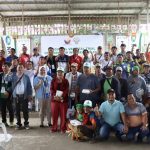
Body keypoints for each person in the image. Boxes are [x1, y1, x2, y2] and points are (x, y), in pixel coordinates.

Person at [5, 63, 32, 130]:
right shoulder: (13, 76)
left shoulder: (26, 77)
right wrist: (9, 71)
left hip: (24, 96)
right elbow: (6, 79)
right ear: (16, 69)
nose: (20, 69)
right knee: (16, 111)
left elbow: (29, 87)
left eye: (21, 67)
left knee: (25, 111)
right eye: (18, 67)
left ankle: (26, 123)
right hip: (15, 97)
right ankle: (18, 124)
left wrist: (30, 95)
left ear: (23, 69)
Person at [51, 67, 69, 133]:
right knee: (54, 115)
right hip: (54, 100)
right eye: (58, 72)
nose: (60, 73)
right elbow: (51, 89)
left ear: (63, 73)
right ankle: (54, 128)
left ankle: (62, 128)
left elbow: (66, 90)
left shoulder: (66, 81)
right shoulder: (53, 80)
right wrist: (54, 96)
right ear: (57, 73)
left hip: (63, 100)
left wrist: (61, 97)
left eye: (61, 72)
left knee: (63, 115)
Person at [0, 63, 14, 127]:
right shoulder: (0, 75)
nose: (4, 68)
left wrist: (8, 91)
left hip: (9, 95)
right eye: (3, 66)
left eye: (6, 66)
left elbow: (12, 85)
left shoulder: (12, 75)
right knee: (3, 109)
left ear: (9, 68)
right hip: (1, 95)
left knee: (10, 109)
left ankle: (11, 122)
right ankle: (4, 122)